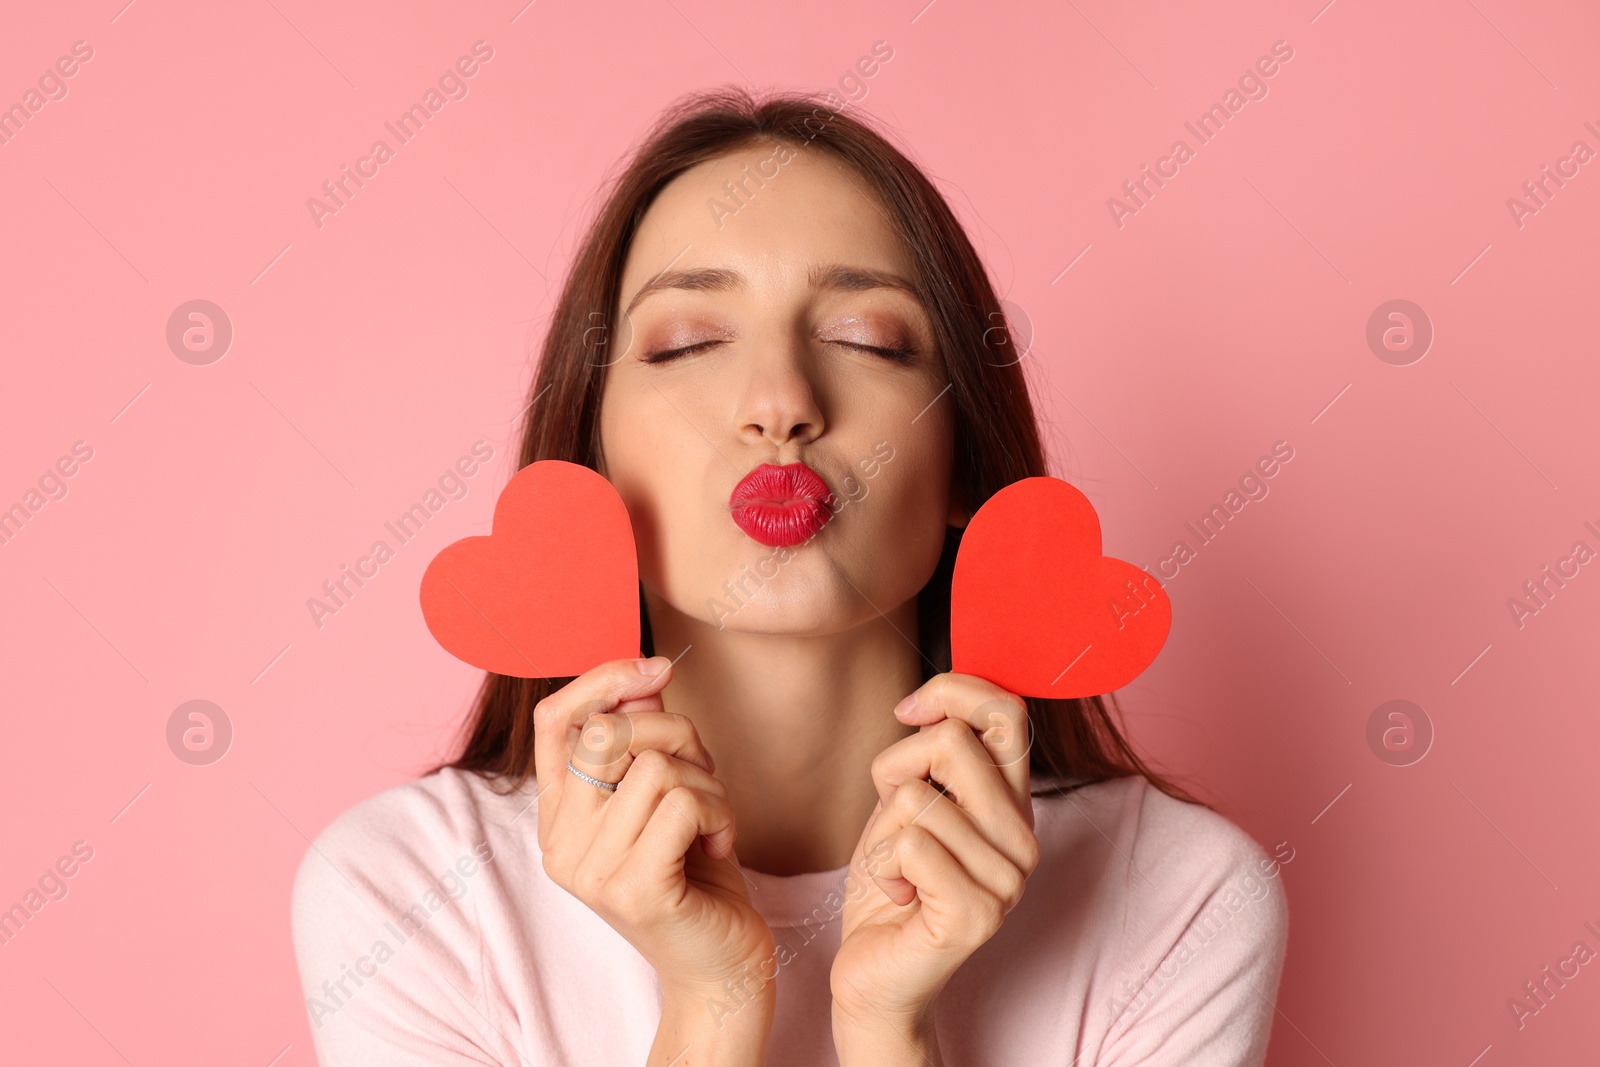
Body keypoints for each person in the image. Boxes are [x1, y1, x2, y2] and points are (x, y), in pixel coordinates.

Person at [290, 86, 1289, 1066]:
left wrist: (889, 1030)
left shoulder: (1182, 896)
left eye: (867, 339)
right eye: (688, 342)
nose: (779, 403)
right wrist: (710, 1006)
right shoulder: (405, 890)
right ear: (593, 451)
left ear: (962, 461)